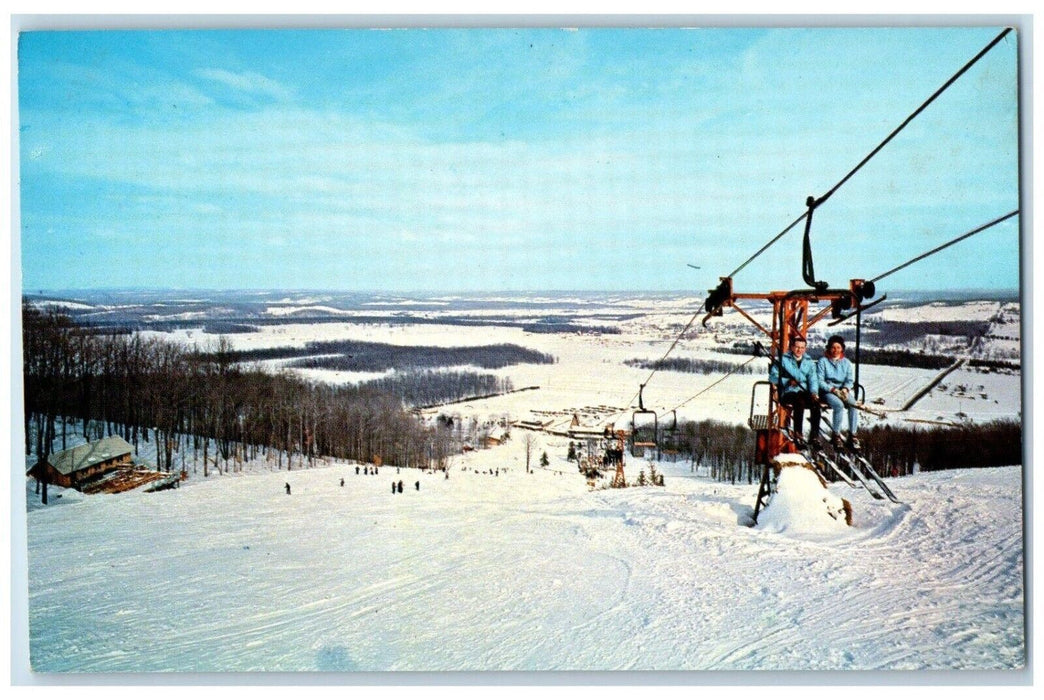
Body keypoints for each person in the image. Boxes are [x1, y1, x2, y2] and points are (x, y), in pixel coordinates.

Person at [768, 335, 821, 447]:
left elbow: (813, 379)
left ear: (805, 349)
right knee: (799, 401)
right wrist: (787, 381)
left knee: (815, 404)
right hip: (788, 392)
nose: (799, 350)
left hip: (803, 391)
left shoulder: (809, 362)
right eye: (797, 347)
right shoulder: (783, 360)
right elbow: (772, 377)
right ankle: (798, 433)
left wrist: (814, 393)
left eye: (802, 348)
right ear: (791, 347)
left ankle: (815, 435)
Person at [818, 335, 860, 450]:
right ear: (829, 348)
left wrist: (846, 389)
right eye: (833, 347)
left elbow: (849, 380)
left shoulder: (846, 363)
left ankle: (853, 434)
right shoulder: (823, 361)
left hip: (842, 390)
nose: (835, 350)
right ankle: (836, 434)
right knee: (838, 405)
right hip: (828, 391)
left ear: (842, 349)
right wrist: (833, 390)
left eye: (838, 347)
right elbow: (820, 380)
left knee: (853, 404)